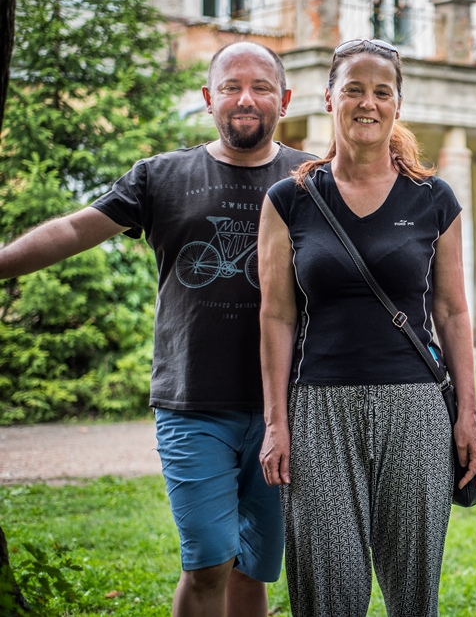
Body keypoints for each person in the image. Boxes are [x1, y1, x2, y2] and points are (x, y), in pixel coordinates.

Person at [0, 41, 313, 616]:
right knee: (210, 560)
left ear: (285, 99)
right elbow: (73, 230)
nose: (246, 99)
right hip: (192, 402)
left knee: (256, 569)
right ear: (207, 98)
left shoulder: (312, 179)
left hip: (287, 409)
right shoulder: (163, 175)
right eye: (231, 87)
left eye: (261, 87)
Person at [257, 38, 476, 617]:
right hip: (319, 412)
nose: (367, 103)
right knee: (327, 591)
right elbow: (277, 315)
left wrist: (468, 415)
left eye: (381, 92)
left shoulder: (435, 198)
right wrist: (276, 424)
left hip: (414, 408)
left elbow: (453, 312)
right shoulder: (289, 199)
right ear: (328, 97)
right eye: (353, 89)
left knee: (413, 593)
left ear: (397, 105)